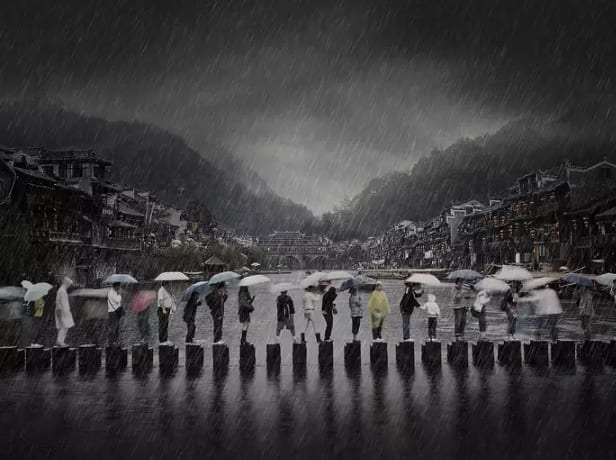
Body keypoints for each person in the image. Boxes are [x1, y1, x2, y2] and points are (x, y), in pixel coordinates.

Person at [55, 277, 75, 346]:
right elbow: (60, 304)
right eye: (69, 284)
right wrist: (61, 313)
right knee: (64, 326)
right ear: (66, 283)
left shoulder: (62, 291)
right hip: (63, 312)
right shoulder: (62, 291)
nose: (69, 286)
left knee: (64, 326)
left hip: (64, 312)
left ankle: (60, 341)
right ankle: (60, 341)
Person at [107, 282, 123, 346]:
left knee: (116, 328)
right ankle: (111, 342)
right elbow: (117, 300)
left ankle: (115, 341)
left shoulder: (114, 292)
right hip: (113, 312)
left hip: (115, 311)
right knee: (113, 327)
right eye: (119, 286)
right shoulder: (112, 293)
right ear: (116, 286)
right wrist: (119, 295)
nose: (119, 288)